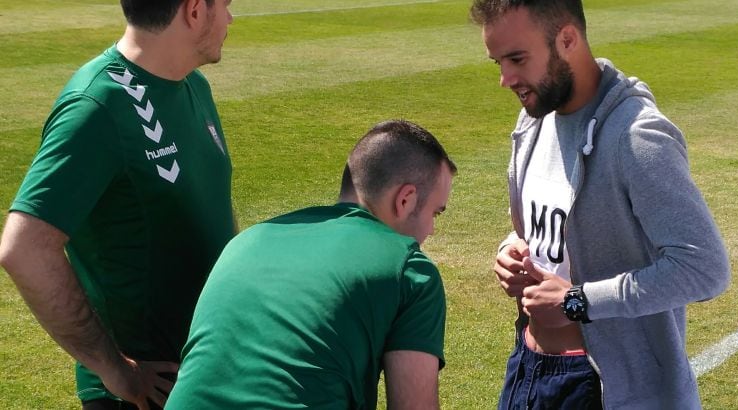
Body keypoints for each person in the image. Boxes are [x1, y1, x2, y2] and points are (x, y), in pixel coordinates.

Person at [470, 0, 731, 408]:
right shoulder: (535, 117)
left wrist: (578, 302)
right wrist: (510, 248)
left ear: (567, 39)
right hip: (528, 366)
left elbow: (704, 268)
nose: (506, 79)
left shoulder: (638, 137)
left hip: (606, 387)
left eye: (517, 58)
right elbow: (550, 226)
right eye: (498, 62)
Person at [0, 1, 235, 409]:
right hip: (147, 393)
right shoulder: (96, 106)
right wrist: (114, 369)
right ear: (195, 10)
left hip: (204, 371)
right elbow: (24, 249)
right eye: (227, 5)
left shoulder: (193, 84)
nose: (231, 17)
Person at [164, 120, 456, 410]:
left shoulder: (248, 239)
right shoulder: (410, 270)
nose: (431, 230)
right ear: (405, 200)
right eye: (436, 213)